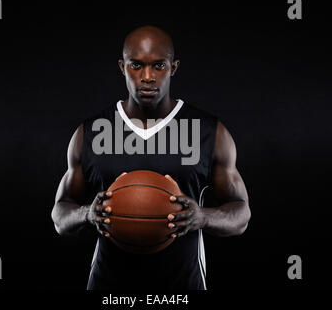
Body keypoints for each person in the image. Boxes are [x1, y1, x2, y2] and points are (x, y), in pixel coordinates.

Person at [51, 25, 250, 290]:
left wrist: (202, 216)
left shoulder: (208, 131)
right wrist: (88, 214)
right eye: (136, 65)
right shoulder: (89, 133)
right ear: (122, 67)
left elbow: (241, 214)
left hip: (182, 287)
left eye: (159, 66)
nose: (147, 77)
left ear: (174, 68)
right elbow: (59, 215)